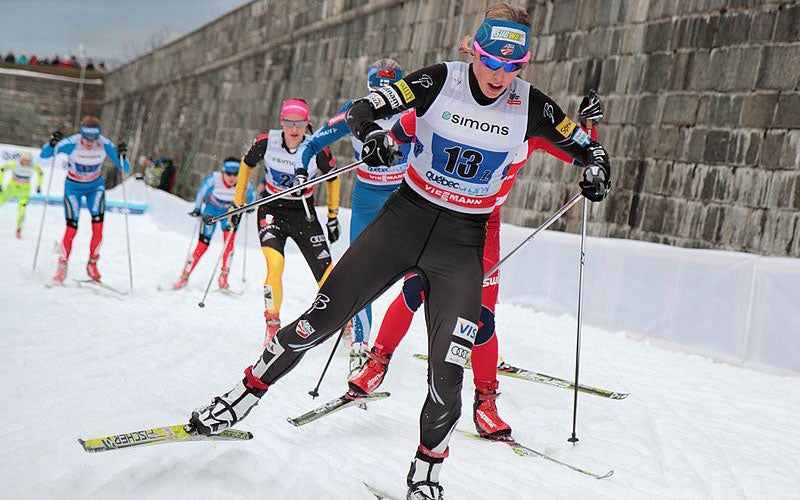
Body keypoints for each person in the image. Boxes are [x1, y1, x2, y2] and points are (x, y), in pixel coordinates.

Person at [188, 4, 611, 498]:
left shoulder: (532, 106)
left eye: (512, 66)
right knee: (316, 323)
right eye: (491, 61)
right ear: (474, 52)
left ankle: (427, 473)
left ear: (523, 64)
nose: (499, 75)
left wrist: (597, 170)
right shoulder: (438, 81)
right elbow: (365, 110)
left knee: (448, 373)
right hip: (403, 222)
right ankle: (240, 397)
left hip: (461, 243)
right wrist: (370, 137)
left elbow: (585, 147)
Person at [348, 91, 603, 441]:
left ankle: (486, 402)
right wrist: (382, 144)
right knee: (414, 289)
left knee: (481, 317)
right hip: (437, 213)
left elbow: (585, 157)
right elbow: (402, 131)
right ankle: (377, 363)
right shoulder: (453, 113)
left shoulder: (530, 130)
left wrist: (591, 133)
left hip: (483, 225)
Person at [295, 58, 413, 376]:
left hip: (403, 199)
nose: (383, 98)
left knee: (419, 271)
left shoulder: (415, 110)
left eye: (390, 91)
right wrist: (300, 170)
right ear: (369, 87)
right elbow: (312, 143)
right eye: (377, 90)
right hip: (366, 200)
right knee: (362, 273)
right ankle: (360, 347)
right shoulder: (355, 110)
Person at [233, 98, 341, 346]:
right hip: (272, 209)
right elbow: (246, 164)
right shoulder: (266, 142)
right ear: (281, 122)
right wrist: (238, 202)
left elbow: (333, 179)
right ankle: (272, 325)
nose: (294, 129)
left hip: (303, 212)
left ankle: (340, 322)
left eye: (300, 123)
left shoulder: (318, 147)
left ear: (307, 123)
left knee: (327, 275)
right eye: (289, 123)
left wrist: (333, 216)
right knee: (275, 265)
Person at [40, 115, 130, 284]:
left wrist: (122, 155)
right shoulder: (72, 143)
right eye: (86, 139)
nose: (89, 143)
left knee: (98, 228)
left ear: (98, 135)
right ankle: (62, 264)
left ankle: (92, 264)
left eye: (93, 139)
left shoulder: (105, 144)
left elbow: (125, 167)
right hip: (73, 188)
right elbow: (45, 155)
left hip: (94, 188)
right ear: (81, 134)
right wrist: (52, 143)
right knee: (72, 229)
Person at [173, 157, 254, 291]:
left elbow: (251, 194)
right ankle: (184, 276)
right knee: (202, 245)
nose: (232, 178)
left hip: (229, 212)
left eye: (235, 174)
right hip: (212, 211)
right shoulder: (214, 179)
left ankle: (223, 278)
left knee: (229, 244)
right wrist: (198, 209)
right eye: (229, 173)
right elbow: (201, 192)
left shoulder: (242, 181)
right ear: (223, 172)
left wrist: (250, 206)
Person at [0, 151, 44, 239]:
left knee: (22, 210)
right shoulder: (14, 164)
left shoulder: (33, 165)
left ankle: (19, 229)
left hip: (24, 191)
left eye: (27, 160)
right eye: (24, 160)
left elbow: (41, 173)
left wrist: (39, 185)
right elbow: (2, 170)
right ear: (21, 159)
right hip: (11, 188)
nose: (25, 162)